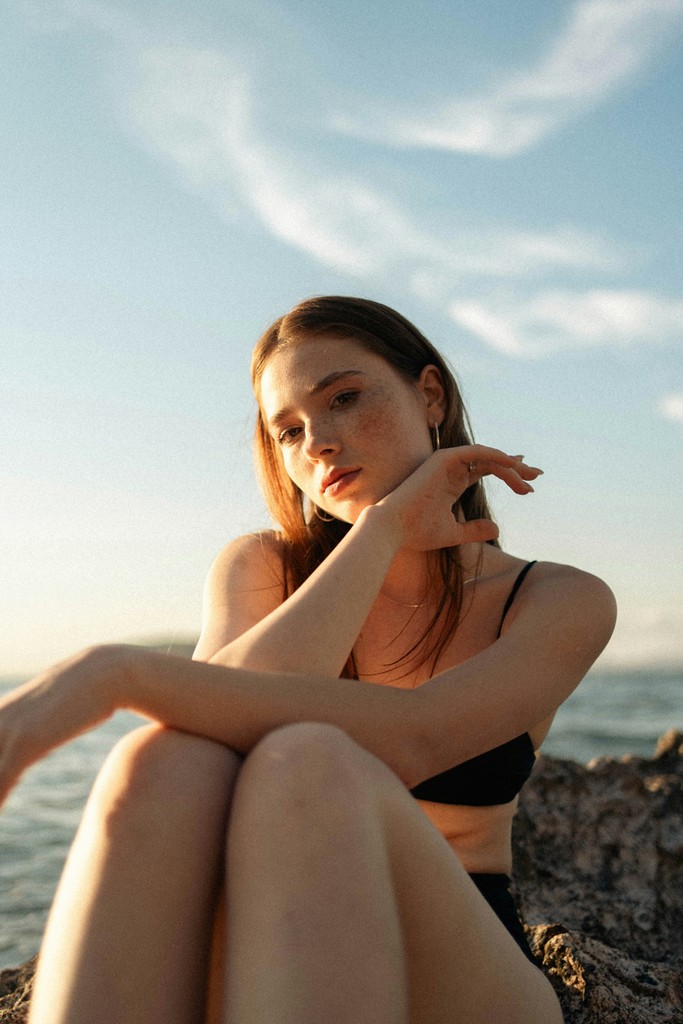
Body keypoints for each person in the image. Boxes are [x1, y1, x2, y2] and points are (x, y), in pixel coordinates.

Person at [0, 295, 616, 1024]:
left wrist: (112, 673)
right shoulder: (262, 567)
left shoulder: (557, 598)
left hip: (458, 957)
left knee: (309, 760)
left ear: (430, 396)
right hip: (264, 937)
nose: (318, 443)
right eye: (288, 431)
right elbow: (209, 728)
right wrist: (380, 536)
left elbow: (415, 738)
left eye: (344, 398)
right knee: (164, 760)